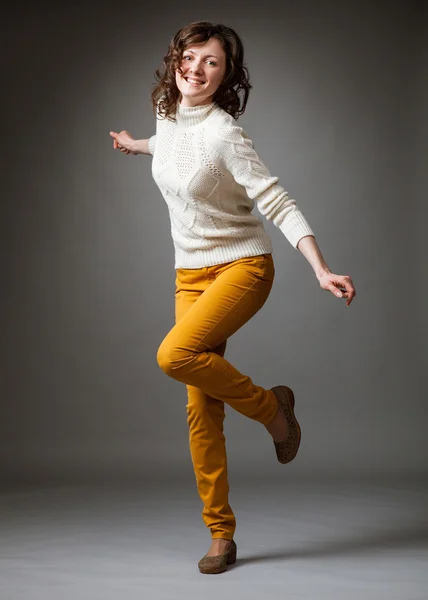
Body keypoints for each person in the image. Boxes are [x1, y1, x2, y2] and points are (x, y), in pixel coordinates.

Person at [109, 20, 356, 575]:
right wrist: (136, 144)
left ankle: (272, 411)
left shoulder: (225, 133)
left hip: (243, 266)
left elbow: (277, 200)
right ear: (176, 60)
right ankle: (221, 534)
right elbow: (171, 149)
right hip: (189, 276)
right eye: (189, 58)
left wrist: (320, 268)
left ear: (227, 77)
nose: (196, 70)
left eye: (211, 63)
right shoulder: (167, 114)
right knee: (200, 408)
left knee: (175, 357)